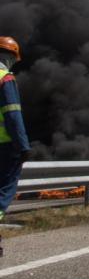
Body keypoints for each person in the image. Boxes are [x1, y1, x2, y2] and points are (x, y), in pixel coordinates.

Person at [0, 37, 30, 222]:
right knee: (4, 191)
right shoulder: (5, 78)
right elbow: (13, 115)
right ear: (10, 57)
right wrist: (23, 146)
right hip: (4, 146)